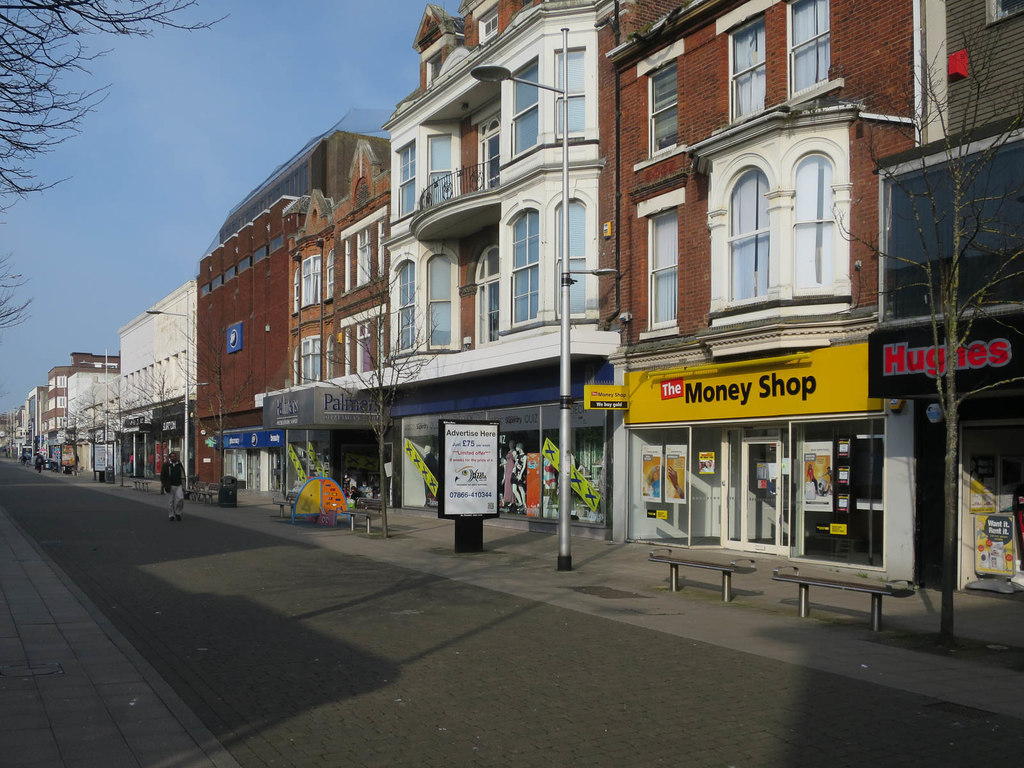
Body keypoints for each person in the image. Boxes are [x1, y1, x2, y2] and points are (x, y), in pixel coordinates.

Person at [161, 450, 185, 521]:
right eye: (172, 457)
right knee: (170, 501)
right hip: (170, 485)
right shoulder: (166, 465)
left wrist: (183, 485)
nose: (173, 458)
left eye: (174, 457)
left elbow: (183, 475)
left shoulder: (179, 464)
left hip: (178, 485)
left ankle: (178, 512)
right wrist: (165, 485)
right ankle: (171, 515)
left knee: (180, 499)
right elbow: (162, 476)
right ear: (170, 458)